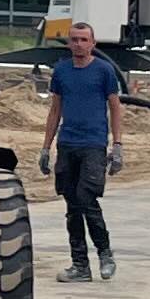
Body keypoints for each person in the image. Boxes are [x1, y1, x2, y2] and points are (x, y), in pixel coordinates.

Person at [43, 18, 124, 284]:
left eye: (84, 40)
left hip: (93, 144)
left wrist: (118, 146)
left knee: (86, 199)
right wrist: (45, 147)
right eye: (74, 39)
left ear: (92, 43)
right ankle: (80, 265)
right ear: (69, 43)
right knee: (72, 205)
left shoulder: (104, 71)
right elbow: (55, 109)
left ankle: (105, 254)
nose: (78, 44)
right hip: (68, 144)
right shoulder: (62, 71)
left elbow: (115, 107)